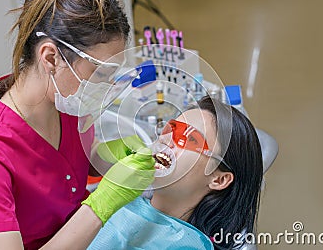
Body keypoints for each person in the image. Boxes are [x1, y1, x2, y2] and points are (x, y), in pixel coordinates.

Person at [0, 0, 154, 249]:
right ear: (50, 57)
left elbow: (67, 164)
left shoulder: (66, 100)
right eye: (101, 74)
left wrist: (105, 157)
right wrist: (102, 204)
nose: (107, 88)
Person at [88, 96, 264, 249]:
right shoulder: (124, 200)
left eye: (190, 138)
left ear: (219, 180)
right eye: (171, 129)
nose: (165, 139)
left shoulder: (187, 245)